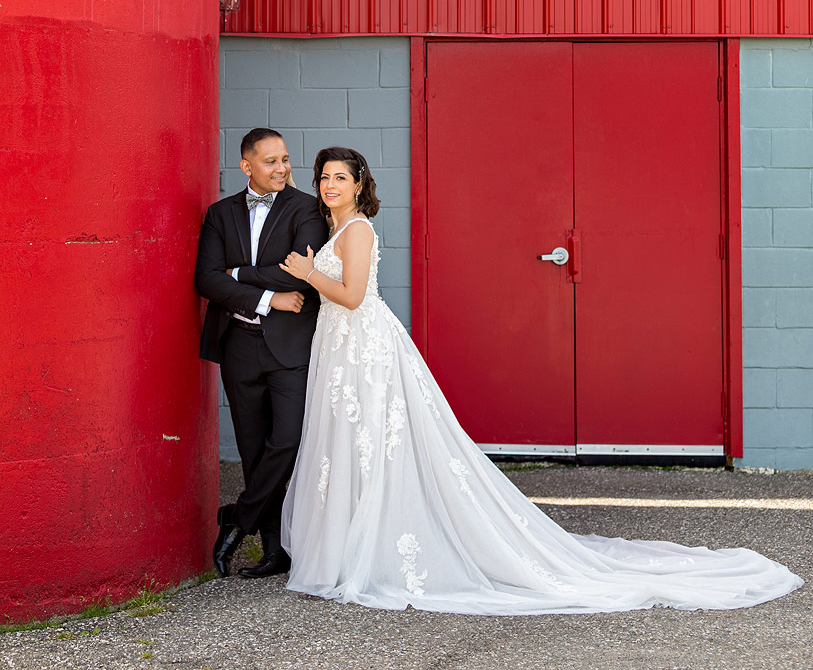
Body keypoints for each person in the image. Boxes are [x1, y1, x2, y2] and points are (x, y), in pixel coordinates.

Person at [236, 144, 804, 614]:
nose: (330, 185)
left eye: (341, 177)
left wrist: (309, 274)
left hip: (364, 346)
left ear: (360, 184)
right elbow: (311, 245)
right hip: (340, 349)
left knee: (377, 444)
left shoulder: (357, 230)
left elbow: (355, 296)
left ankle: (373, 549)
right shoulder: (331, 225)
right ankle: (348, 545)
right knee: (349, 444)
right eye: (324, 177)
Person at [194, 128, 329, 578]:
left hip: (289, 345)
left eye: (285, 159)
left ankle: (238, 517)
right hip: (238, 344)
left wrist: (238, 273)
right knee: (253, 449)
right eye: (271, 161)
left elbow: (298, 272)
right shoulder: (219, 214)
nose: (282, 168)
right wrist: (267, 299)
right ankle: (274, 551)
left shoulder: (307, 208)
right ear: (246, 166)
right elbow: (207, 279)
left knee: (287, 440)